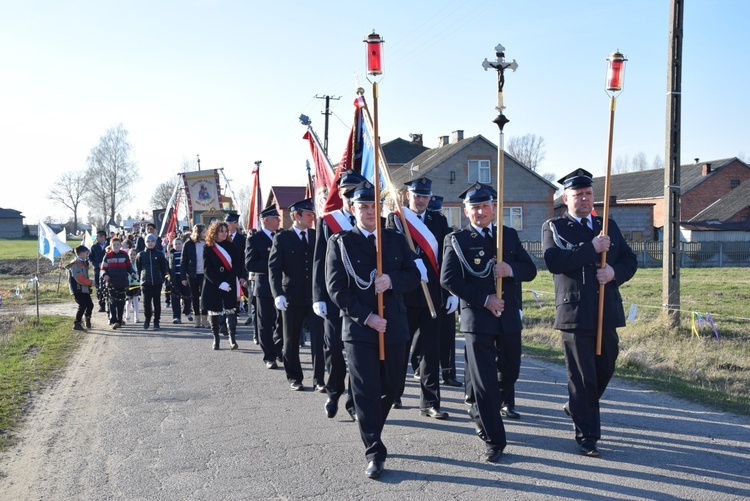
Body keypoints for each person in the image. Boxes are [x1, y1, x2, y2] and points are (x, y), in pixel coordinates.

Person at [325, 180, 421, 479]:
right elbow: (336, 288)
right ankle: (374, 451)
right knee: (367, 390)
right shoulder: (340, 242)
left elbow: (414, 275)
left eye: (373, 206)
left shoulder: (393, 239)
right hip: (359, 329)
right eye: (362, 206)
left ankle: (366, 420)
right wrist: (367, 317)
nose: (369, 211)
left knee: (393, 387)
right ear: (352, 210)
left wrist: (391, 280)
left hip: (393, 325)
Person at [542, 168, 637, 457]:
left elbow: (630, 260)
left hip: (606, 310)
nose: (584, 199)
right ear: (566, 198)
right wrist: (591, 248)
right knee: (583, 377)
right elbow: (554, 261)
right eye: (577, 195)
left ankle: (576, 406)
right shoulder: (554, 227)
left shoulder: (606, 224)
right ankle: (588, 437)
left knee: (605, 366)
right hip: (575, 311)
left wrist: (613, 272)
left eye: (588, 194)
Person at [440, 183, 537, 463]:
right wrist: (485, 299)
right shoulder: (457, 239)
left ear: (494, 207)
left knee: (510, 372)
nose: (480, 212)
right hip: (477, 318)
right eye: (475, 207)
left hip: (507, 317)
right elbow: (449, 279)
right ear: (465, 211)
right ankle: (493, 439)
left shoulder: (508, 235)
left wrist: (510, 269)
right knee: (484, 383)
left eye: (485, 206)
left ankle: (481, 407)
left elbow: (530, 270)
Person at [387, 176, 454, 419]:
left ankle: (430, 402)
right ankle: (395, 393)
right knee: (401, 348)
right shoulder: (397, 219)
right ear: (408, 195)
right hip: (406, 295)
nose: (422, 200)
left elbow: (447, 259)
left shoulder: (439, 220)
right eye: (417, 195)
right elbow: (392, 253)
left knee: (430, 350)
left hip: (432, 295)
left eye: (426, 196)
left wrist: (449, 292)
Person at [312, 171, 365, 420]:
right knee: (333, 348)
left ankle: (354, 401)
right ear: (340, 195)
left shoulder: (371, 222)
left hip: (361, 298)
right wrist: (318, 296)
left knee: (357, 350)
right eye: (346, 194)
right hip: (334, 297)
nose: (349, 198)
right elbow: (319, 260)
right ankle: (333, 392)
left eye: (355, 193)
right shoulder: (329, 221)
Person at [268, 198, 324, 392]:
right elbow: (274, 269)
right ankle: (294, 377)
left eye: (312, 215)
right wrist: (278, 294)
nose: (312, 218)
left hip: (314, 297)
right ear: (296, 216)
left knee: (319, 339)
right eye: (308, 215)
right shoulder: (282, 238)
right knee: (290, 339)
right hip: (291, 296)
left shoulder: (317, 236)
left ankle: (319, 379)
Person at [245, 206, 284, 369]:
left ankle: (279, 348)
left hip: (283, 287)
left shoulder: (282, 236)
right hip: (265, 287)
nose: (279, 220)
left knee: (282, 322)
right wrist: (273, 265)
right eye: (276, 218)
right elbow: (250, 263)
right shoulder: (255, 239)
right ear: (266, 220)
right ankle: (269, 355)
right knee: (265, 323)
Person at [202, 221, 248, 350]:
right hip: (213, 283)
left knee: (230, 310)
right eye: (221, 231)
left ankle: (232, 339)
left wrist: (228, 281)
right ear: (214, 232)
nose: (223, 233)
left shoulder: (231, 246)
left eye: (225, 231)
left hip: (229, 281)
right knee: (215, 312)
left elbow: (236, 266)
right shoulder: (208, 247)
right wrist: (219, 283)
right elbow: (207, 269)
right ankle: (216, 339)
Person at [100, 238, 135, 329]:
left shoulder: (124, 255)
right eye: (114, 245)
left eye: (117, 244)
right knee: (112, 302)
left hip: (123, 282)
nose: (116, 246)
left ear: (120, 245)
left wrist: (132, 273)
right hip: (112, 283)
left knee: (121, 303)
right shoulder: (108, 256)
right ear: (111, 246)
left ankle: (119, 320)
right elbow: (103, 269)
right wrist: (105, 275)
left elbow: (129, 267)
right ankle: (113, 320)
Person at [136, 234, 168, 331]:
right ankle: (147, 319)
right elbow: (139, 268)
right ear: (145, 243)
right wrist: (142, 278)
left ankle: (156, 321)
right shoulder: (141, 255)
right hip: (146, 282)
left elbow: (164, 268)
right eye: (148, 241)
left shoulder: (159, 254)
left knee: (157, 302)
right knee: (146, 302)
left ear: (155, 242)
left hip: (157, 282)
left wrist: (162, 278)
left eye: (152, 241)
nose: (150, 243)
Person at [182, 224, 208, 329]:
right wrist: (183, 277)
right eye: (203, 232)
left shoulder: (208, 243)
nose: (205, 234)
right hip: (192, 274)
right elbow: (183, 261)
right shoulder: (188, 244)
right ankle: (197, 318)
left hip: (205, 274)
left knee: (205, 297)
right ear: (198, 233)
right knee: (195, 296)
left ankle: (205, 319)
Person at [67, 245, 94, 331]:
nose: (87, 255)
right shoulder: (75, 264)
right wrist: (90, 282)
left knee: (90, 305)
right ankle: (77, 323)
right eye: (86, 253)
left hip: (84, 289)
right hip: (77, 289)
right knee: (82, 305)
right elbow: (79, 278)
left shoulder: (83, 262)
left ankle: (87, 318)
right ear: (81, 253)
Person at [167, 237, 192, 324]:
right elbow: (168, 266)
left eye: (179, 244)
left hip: (185, 277)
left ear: (183, 244)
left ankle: (187, 311)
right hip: (175, 278)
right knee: (175, 298)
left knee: (187, 296)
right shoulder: (170, 255)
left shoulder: (186, 254)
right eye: (175, 244)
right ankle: (177, 316)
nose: (177, 246)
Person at [89, 230, 109, 313]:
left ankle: (110, 304)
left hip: (108, 270)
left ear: (103, 237)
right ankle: (102, 305)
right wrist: (97, 264)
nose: (96, 238)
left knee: (109, 287)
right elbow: (90, 258)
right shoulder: (94, 247)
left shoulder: (110, 245)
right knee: (99, 288)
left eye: (97, 237)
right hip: (98, 270)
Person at [125, 248, 141, 324]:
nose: (132, 256)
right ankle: (127, 315)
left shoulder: (138, 263)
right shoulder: (127, 264)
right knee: (128, 301)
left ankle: (136, 317)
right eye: (131, 254)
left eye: (134, 254)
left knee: (136, 301)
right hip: (128, 284)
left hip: (136, 284)